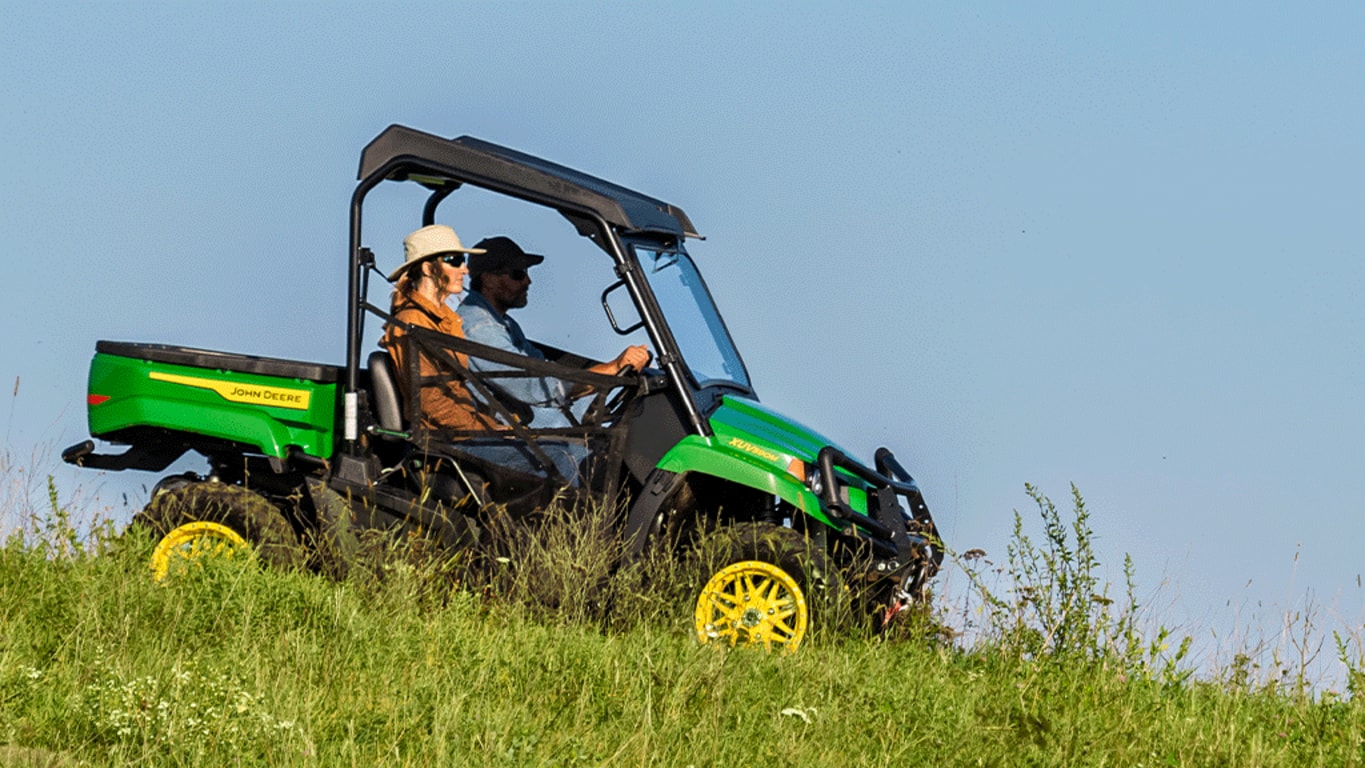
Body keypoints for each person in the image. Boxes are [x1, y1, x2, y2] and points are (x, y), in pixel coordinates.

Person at [381, 224, 584, 482]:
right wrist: (488, 429)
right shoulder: (412, 323)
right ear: (428, 268)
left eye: (463, 261)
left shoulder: (446, 320)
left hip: (466, 434)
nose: (465, 270)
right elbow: (432, 402)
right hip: (445, 442)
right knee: (559, 455)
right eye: (454, 261)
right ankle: (581, 511)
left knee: (567, 445)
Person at [457, 235, 651, 429]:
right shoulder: (480, 328)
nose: (528, 281)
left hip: (527, 430)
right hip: (502, 437)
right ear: (488, 280)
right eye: (518, 274)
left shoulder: (504, 323)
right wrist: (613, 368)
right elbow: (535, 388)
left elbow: (543, 370)